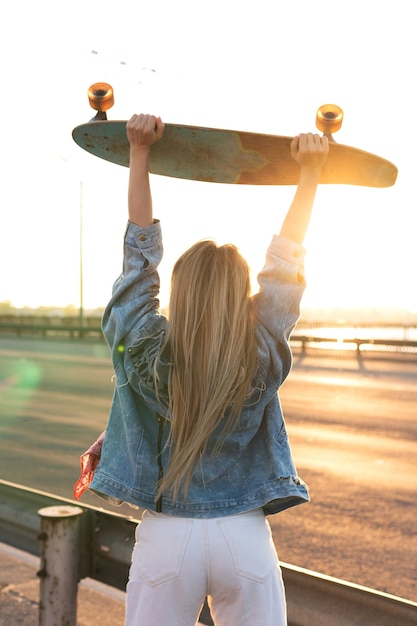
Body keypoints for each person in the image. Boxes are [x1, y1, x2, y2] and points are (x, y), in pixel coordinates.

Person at [74, 114, 329, 626]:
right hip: (244, 537)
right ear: (243, 297)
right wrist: (310, 175)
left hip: (167, 536)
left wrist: (139, 152)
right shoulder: (261, 351)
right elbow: (285, 268)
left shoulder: (144, 347)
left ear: (180, 292)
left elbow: (138, 260)